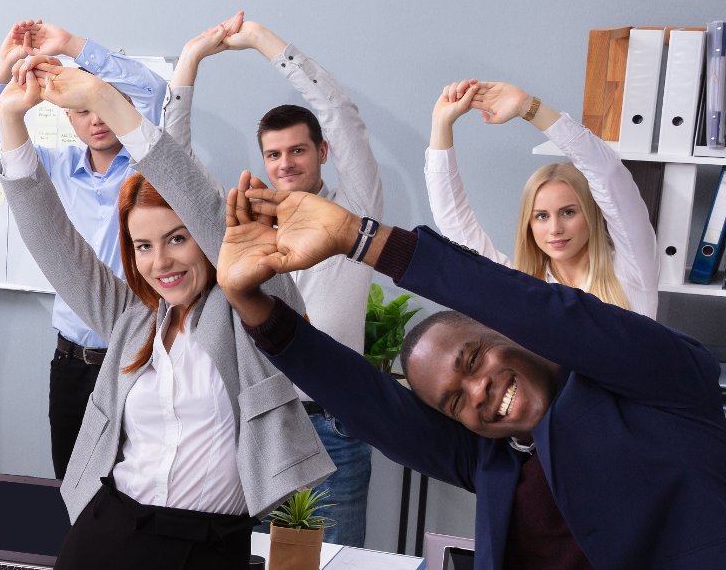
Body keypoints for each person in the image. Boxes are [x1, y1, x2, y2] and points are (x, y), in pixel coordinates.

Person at [217, 181, 726, 569]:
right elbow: (370, 404)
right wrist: (250, 303)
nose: (479, 390)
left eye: (475, 359)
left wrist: (360, 238)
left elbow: (551, 313)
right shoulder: (493, 459)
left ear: (509, 333)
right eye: (455, 401)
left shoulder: (661, 383)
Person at [0, 59, 331, 568]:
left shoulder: (254, 306)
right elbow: (52, 242)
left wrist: (106, 100)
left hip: (210, 544)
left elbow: (198, 197)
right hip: (111, 527)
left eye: (178, 239)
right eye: (143, 246)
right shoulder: (133, 320)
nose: (162, 262)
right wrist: (11, 119)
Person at [163, 12, 384, 545]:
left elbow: (341, 113)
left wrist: (263, 41)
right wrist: (190, 61)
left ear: (322, 153)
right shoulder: (242, 223)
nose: (286, 164)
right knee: (257, 558)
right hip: (261, 424)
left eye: (298, 151)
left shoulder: (355, 211)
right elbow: (172, 163)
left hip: (334, 425)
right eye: (274, 154)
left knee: (331, 561)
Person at [0, 19, 168, 479]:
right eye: (81, 111)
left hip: (139, 358)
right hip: (72, 361)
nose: (96, 120)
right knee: (73, 484)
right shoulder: (51, 169)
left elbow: (154, 91)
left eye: (102, 106)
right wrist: (4, 72)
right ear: (66, 115)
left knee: (138, 490)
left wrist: (72, 47)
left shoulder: (150, 165)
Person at [427, 78, 658, 317]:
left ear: (591, 213)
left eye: (568, 212)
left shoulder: (632, 269)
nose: (555, 228)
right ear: (528, 224)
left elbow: (609, 174)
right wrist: (440, 125)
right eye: (541, 216)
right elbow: (455, 225)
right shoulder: (524, 290)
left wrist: (528, 107)